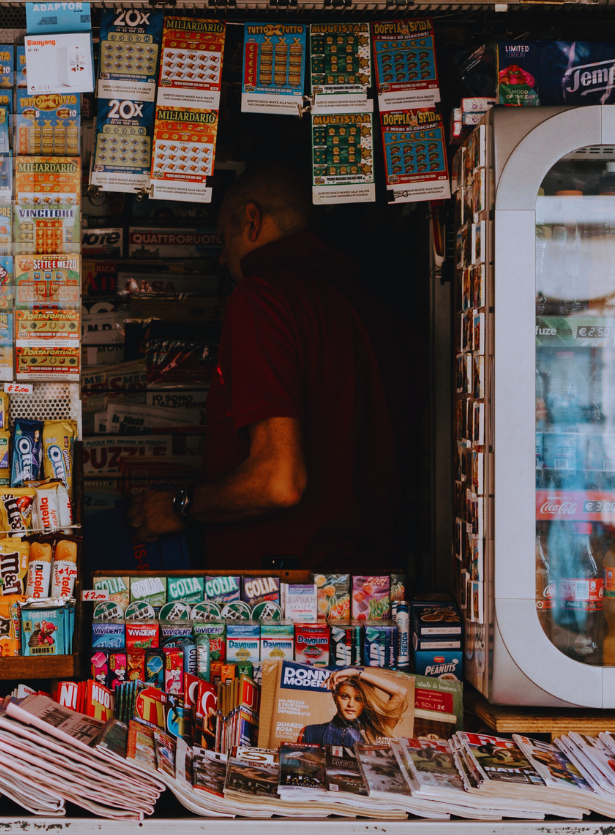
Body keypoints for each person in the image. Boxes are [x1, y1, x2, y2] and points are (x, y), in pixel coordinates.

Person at [126, 160, 409, 568]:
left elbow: (279, 482)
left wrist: (178, 506)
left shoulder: (263, 297)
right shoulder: (372, 309)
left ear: (251, 221)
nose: (222, 258)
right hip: (371, 586)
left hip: (283, 590)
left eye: (224, 238)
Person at [298, 669, 411, 748]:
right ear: (335, 697)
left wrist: (355, 672)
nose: (351, 704)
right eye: (345, 696)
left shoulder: (376, 732)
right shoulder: (311, 732)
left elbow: (400, 692)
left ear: (365, 702)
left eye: (358, 699)